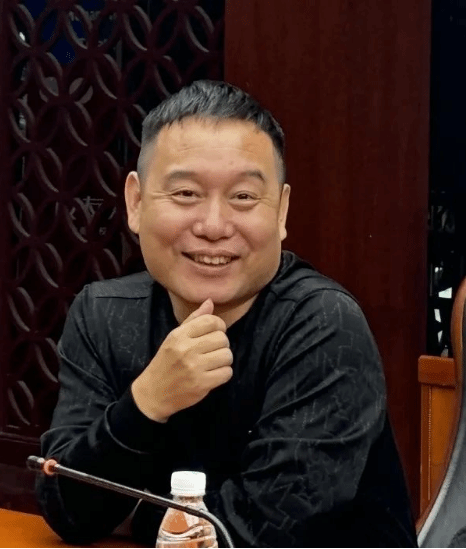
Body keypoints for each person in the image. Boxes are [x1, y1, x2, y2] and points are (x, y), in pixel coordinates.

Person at [36, 80, 418, 547]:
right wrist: (148, 401)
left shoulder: (325, 326)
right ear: (135, 202)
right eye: (185, 194)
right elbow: (67, 508)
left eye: (243, 197)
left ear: (281, 211)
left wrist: (138, 514)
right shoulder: (103, 316)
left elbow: (264, 530)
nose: (214, 226)